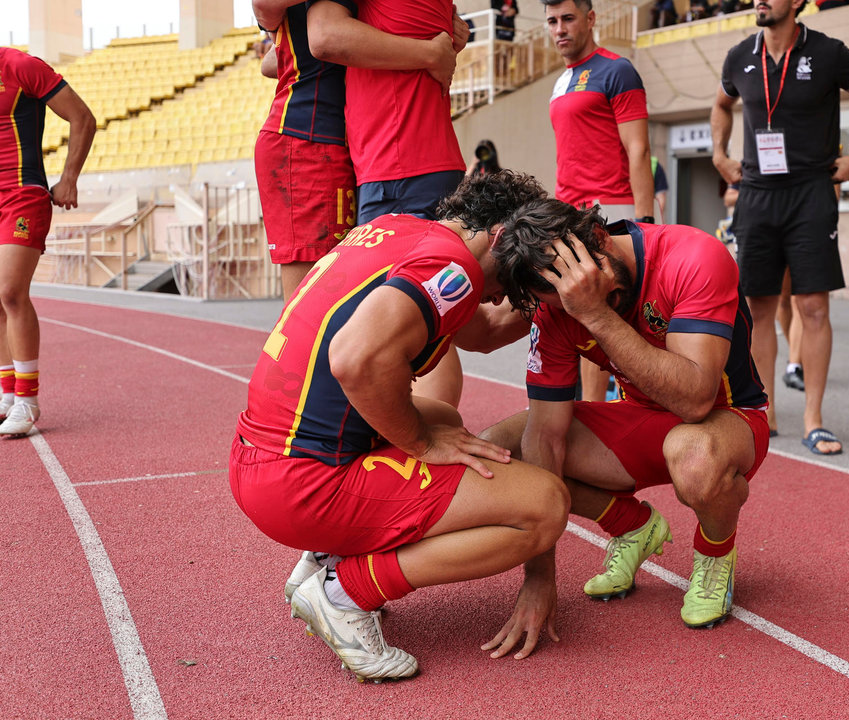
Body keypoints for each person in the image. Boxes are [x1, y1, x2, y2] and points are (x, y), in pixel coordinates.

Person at [230, 171, 570, 680]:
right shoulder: (453, 266)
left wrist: (573, 299)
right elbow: (354, 359)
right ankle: (344, 594)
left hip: (261, 457)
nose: (502, 296)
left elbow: (484, 334)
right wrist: (421, 443)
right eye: (508, 278)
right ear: (499, 236)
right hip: (300, 483)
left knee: (443, 416)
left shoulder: (400, 230)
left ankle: (325, 554)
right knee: (544, 507)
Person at [481, 200, 769, 642]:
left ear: (598, 238)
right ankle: (631, 525)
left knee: (693, 457)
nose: (572, 307)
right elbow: (545, 437)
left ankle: (715, 554)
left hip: (726, 419)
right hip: (640, 420)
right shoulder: (555, 307)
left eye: (584, 293)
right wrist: (539, 577)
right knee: (500, 453)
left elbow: (695, 402)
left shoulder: (694, 257)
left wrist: (597, 313)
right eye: (561, 302)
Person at [710, 0, 849, 455]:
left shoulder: (828, 52)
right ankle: (764, 410)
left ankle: (813, 417)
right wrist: (718, 154)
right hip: (756, 192)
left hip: (812, 191)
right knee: (759, 307)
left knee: (812, 306)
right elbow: (720, 105)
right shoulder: (739, 56)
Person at [308, 0, 474, 408]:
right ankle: (435, 440)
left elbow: (323, 36)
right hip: (410, 160)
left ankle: (433, 446)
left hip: (400, 164)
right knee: (425, 322)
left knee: (409, 324)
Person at [544, 0, 655, 402]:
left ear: (590, 19)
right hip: (570, 215)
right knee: (581, 317)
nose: (560, 29)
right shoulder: (560, 82)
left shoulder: (617, 70)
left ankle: (625, 412)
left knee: (619, 318)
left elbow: (639, 150)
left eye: (568, 19)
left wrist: (644, 222)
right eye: (552, 21)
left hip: (613, 209)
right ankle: (589, 415)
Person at [0, 48, 95, 437]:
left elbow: (83, 118)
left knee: (10, 292)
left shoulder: (19, 66)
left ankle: (28, 399)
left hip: (22, 194)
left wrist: (69, 177)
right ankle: (7, 392)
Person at [252, 0, 355, 302]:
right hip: (307, 141)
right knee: (311, 309)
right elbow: (263, 4)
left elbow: (271, 61)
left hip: (318, 138)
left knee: (329, 299)